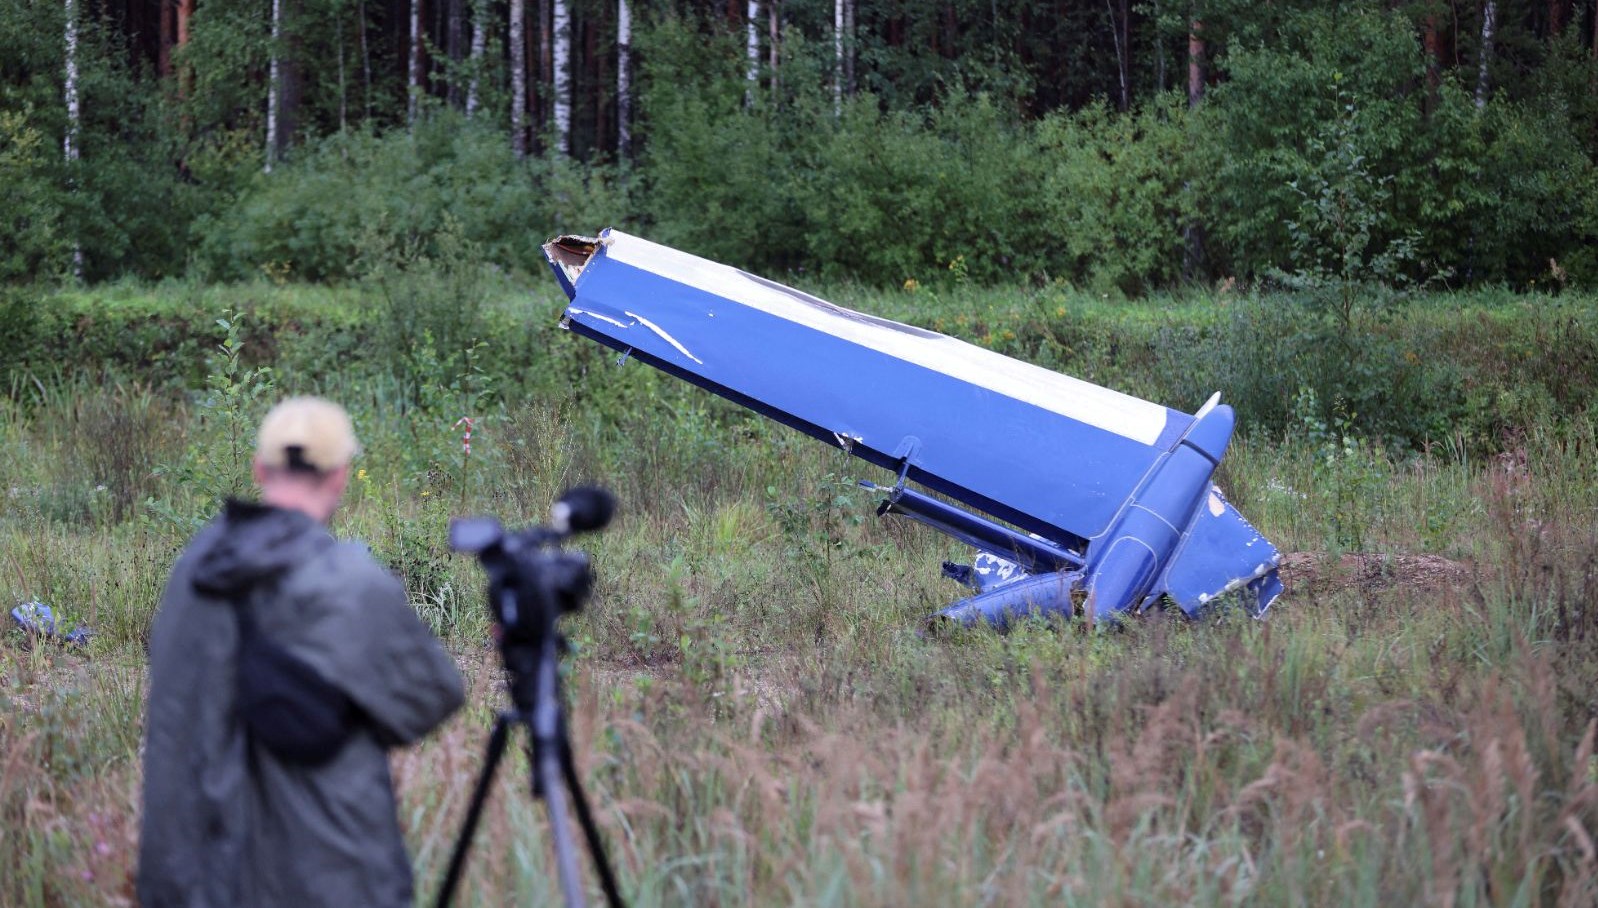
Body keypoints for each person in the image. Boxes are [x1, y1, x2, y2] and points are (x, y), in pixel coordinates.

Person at [138, 397, 465, 907]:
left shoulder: (191, 573)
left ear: (260, 469)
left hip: (194, 873)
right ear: (339, 477)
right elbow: (429, 700)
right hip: (326, 872)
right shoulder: (350, 581)